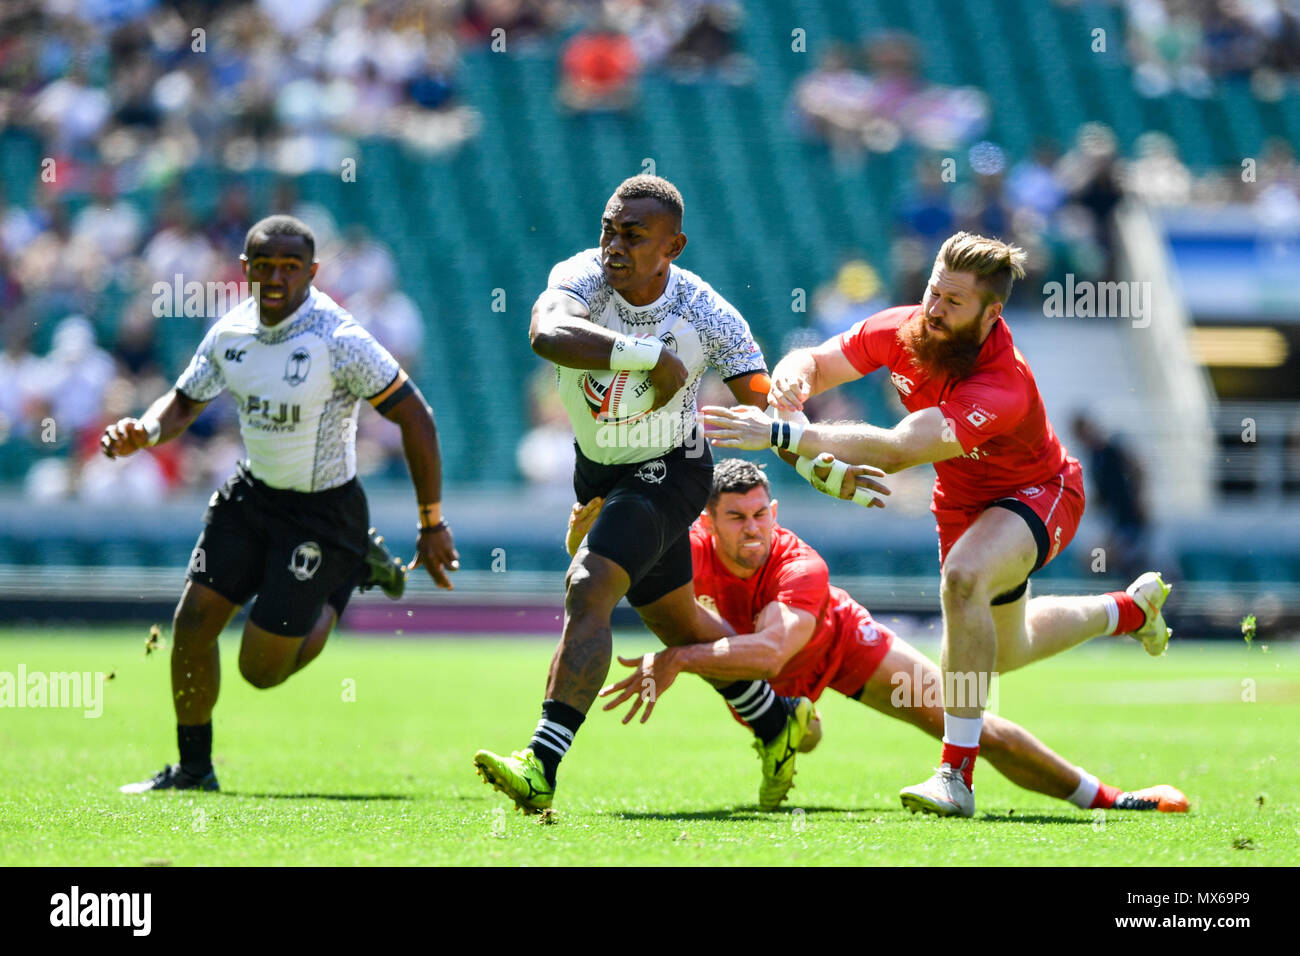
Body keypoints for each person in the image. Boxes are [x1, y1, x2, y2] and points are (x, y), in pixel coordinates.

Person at [699, 231, 1173, 818]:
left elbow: (900, 449)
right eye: (933, 291)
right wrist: (795, 377)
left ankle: (956, 775)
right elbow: (816, 361)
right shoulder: (904, 326)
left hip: (1038, 493)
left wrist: (782, 433)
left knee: (963, 578)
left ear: (989, 312)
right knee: (1001, 651)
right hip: (960, 501)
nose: (935, 310)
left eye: (953, 302)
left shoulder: (1003, 384)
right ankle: (1128, 611)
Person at [473, 176, 889, 814]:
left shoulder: (707, 314)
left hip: (672, 467)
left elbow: (766, 408)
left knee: (590, 586)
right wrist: (646, 355)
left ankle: (541, 764)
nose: (613, 245)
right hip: (600, 470)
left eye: (633, 235)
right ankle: (779, 723)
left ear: (673, 246)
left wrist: (821, 466)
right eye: (609, 228)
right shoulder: (581, 275)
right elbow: (545, 332)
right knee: (681, 622)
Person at [591, 459, 1187, 814]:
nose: (753, 531)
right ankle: (788, 725)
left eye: (761, 515)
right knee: (809, 737)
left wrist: (679, 658)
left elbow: (773, 651)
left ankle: (1109, 798)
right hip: (759, 668)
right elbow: (612, 565)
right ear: (707, 521)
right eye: (736, 519)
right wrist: (584, 538)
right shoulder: (687, 547)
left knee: (973, 726)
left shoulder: (801, 565)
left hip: (842, 645)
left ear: (774, 510)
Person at [103, 215, 459, 793]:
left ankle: (347, 572)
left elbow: (416, 416)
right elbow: (184, 401)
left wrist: (431, 522)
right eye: (263, 266)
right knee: (193, 622)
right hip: (251, 496)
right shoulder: (229, 334)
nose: (275, 278)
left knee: (260, 672)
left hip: (324, 514)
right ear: (244, 270)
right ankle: (194, 770)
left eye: (289, 267)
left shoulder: (339, 339)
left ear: (312, 272)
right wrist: (143, 430)